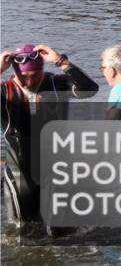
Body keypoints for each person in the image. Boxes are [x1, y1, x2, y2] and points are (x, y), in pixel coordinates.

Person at [1, 43, 99, 226]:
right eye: (24, 76)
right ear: (15, 72)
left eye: (34, 75)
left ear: (42, 69)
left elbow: (90, 89)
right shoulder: (4, 92)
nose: (30, 81)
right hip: (20, 176)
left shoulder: (56, 84)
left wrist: (61, 61)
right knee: (22, 233)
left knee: (60, 234)